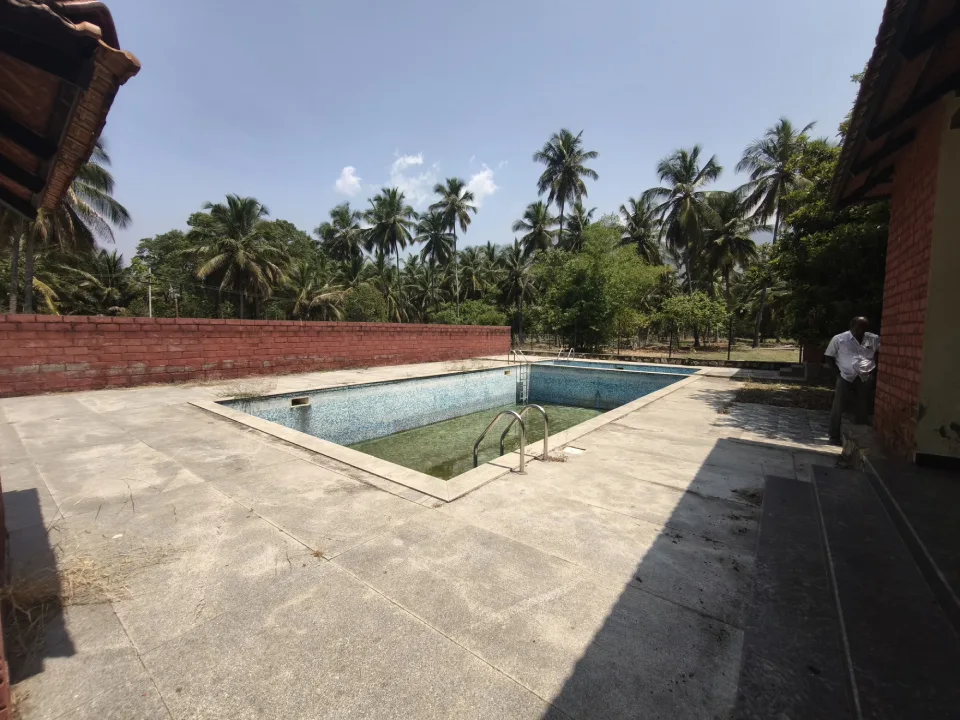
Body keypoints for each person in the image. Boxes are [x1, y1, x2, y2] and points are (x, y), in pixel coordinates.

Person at [825, 316, 880, 444]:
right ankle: (834, 435)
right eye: (859, 327)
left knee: (863, 405)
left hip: (864, 377)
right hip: (845, 376)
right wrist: (837, 374)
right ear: (852, 326)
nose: (861, 331)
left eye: (864, 328)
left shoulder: (873, 339)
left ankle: (860, 436)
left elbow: (879, 355)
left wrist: (874, 373)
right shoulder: (839, 339)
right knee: (838, 405)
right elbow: (829, 357)